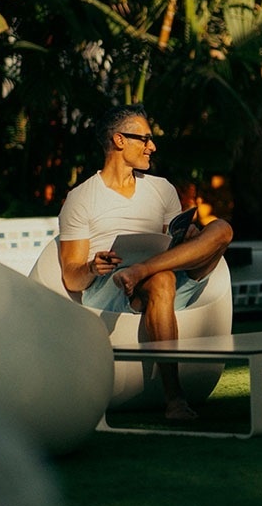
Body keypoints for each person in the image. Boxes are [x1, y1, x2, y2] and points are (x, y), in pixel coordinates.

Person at [57, 104, 233, 420]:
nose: (152, 146)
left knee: (222, 229)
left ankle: (144, 270)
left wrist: (189, 238)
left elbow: (171, 244)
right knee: (162, 279)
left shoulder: (162, 188)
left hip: (162, 274)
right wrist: (92, 267)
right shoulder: (81, 198)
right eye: (145, 138)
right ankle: (174, 399)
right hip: (112, 289)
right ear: (119, 140)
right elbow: (71, 277)